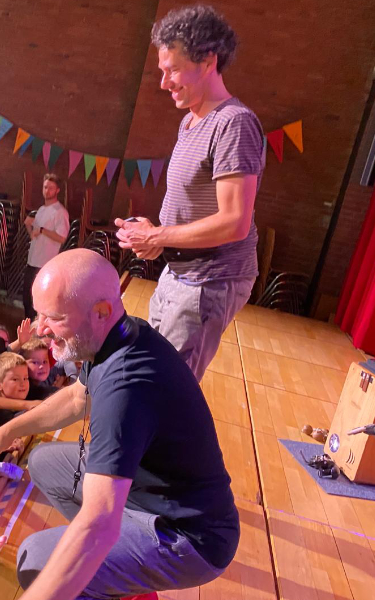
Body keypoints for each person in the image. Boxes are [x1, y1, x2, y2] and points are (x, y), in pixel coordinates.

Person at [0, 249, 239, 599]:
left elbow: (97, 526)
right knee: (43, 462)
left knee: (36, 560)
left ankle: (117, 578)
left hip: (187, 537)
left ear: (101, 312)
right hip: (154, 498)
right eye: (38, 314)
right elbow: (76, 399)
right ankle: (118, 573)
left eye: (53, 317)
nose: (40, 329)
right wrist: (6, 431)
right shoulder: (118, 336)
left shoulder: (126, 386)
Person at [115, 6, 264, 381]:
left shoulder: (234, 123)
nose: (164, 82)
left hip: (210, 280)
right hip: (179, 270)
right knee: (146, 372)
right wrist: (153, 235)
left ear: (208, 61)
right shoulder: (190, 121)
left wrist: (159, 236)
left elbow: (234, 223)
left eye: (173, 70)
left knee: (165, 389)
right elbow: (195, 208)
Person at [23, 173, 70, 319]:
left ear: (57, 191)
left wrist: (43, 230)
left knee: (37, 301)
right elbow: (33, 235)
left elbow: (61, 237)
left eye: (51, 188)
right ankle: (27, 330)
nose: (47, 191)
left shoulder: (60, 212)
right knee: (26, 298)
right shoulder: (41, 210)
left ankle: (35, 332)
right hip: (33, 259)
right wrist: (29, 227)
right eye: (45, 187)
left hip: (45, 262)